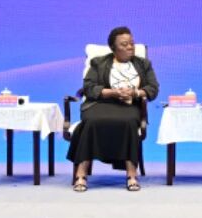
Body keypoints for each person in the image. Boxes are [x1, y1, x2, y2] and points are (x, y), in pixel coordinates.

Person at [68, 27, 159, 191]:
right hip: (100, 104)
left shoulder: (143, 64)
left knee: (129, 122)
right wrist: (112, 92)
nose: (130, 47)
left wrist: (135, 92)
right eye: (124, 44)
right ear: (113, 48)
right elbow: (88, 87)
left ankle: (131, 175)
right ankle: (81, 174)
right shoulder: (98, 63)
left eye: (131, 43)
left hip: (129, 105)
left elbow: (153, 89)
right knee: (91, 122)